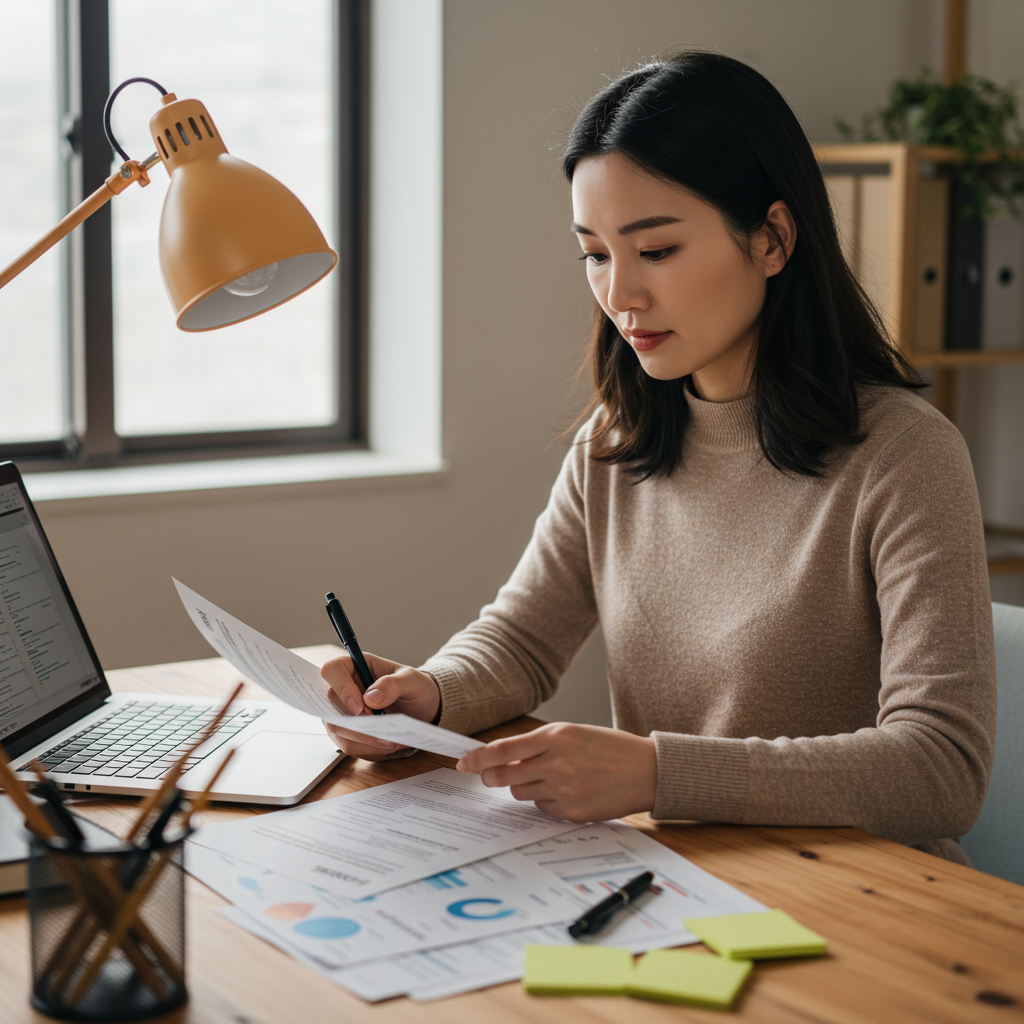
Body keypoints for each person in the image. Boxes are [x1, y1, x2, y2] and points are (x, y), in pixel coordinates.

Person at [321, 52, 996, 865]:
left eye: (657, 251)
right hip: (689, 879)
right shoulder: (618, 438)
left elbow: (942, 771)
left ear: (774, 238)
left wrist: (658, 772)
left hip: (874, 900)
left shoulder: (905, 455)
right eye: (596, 254)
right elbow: (524, 640)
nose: (621, 295)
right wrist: (429, 697)